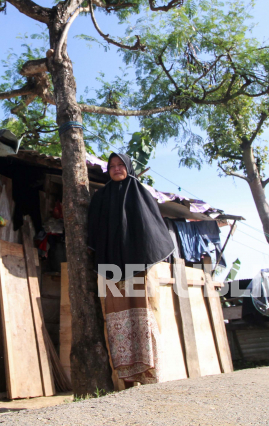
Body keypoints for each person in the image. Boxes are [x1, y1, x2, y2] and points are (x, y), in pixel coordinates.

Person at [87, 153, 175, 385]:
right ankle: (125, 378)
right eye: (112, 166)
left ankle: (150, 375)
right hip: (112, 272)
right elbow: (94, 231)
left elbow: (151, 228)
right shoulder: (101, 197)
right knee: (116, 319)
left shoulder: (140, 193)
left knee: (144, 315)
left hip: (139, 268)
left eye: (121, 165)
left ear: (128, 168)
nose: (116, 169)